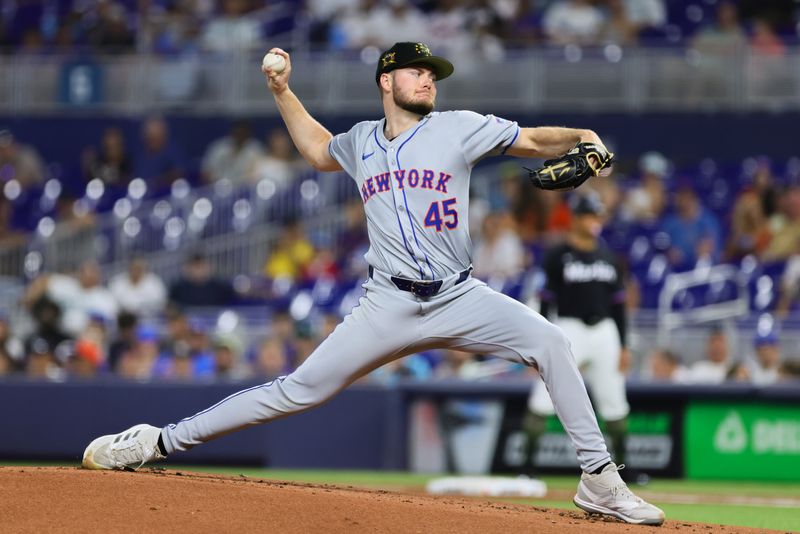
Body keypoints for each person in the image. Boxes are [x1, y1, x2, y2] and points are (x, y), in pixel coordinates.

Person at [81, 42, 663, 526]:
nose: (428, 79)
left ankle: (600, 481)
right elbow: (313, 148)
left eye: (433, 73)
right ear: (387, 79)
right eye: (417, 70)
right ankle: (157, 441)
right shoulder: (361, 141)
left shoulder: (460, 128)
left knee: (551, 343)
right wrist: (282, 91)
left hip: (459, 295)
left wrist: (583, 134)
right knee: (296, 390)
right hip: (387, 302)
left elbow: (535, 141)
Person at [523, 193, 633, 481]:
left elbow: (619, 305)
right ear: (576, 218)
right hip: (569, 328)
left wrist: (624, 345)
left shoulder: (609, 258)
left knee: (614, 400)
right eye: (589, 215)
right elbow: (546, 300)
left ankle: (624, 467)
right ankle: (527, 467)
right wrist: (539, 342)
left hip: (604, 331)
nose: (594, 221)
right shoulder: (558, 256)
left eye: (597, 216)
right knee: (543, 397)